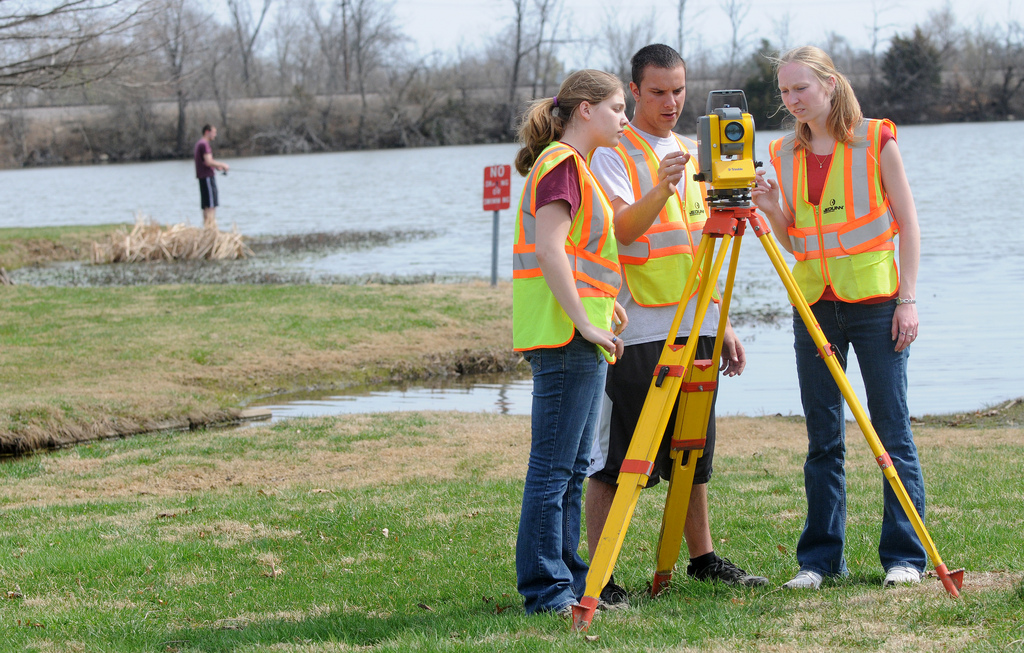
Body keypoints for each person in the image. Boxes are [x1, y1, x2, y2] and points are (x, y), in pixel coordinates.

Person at [585, 43, 767, 608]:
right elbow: (621, 230)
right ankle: (601, 576)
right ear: (634, 91)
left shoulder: (694, 151)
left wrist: (721, 321)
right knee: (618, 460)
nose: (671, 102)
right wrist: (660, 187)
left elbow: (700, 245)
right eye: (658, 92)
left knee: (693, 451)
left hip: (697, 325)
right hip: (637, 328)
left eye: (679, 90)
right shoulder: (613, 151)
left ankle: (703, 559)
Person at [751, 45, 926, 589]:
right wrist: (772, 210)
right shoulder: (782, 152)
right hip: (814, 307)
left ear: (829, 83)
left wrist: (908, 300)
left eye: (801, 87)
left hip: (876, 304)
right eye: (784, 91)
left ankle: (904, 558)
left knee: (892, 432)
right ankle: (820, 562)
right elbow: (797, 241)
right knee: (823, 438)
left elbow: (909, 226)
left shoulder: (875, 140)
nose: (792, 99)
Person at [512, 69, 630, 616]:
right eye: (617, 108)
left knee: (575, 464)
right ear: (585, 110)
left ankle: (570, 582)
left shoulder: (576, 166)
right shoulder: (561, 164)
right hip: (563, 336)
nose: (625, 119)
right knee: (554, 467)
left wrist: (606, 305)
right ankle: (546, 590)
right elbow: (550, 249)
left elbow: (581, 258)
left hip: (579, 332)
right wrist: (584, 321)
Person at [194, 124, 229, 229]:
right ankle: (211, 228)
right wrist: (222, 165)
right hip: (207, 177)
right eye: (214, 132)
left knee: (206, 205)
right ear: (207, 132)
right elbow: (209, 161)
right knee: (211, 205)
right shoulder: (204, 144)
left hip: (202, 177)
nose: (215, 135)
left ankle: (207, 228)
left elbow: (205, 162)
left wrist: (216, 167)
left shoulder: (199, 143)